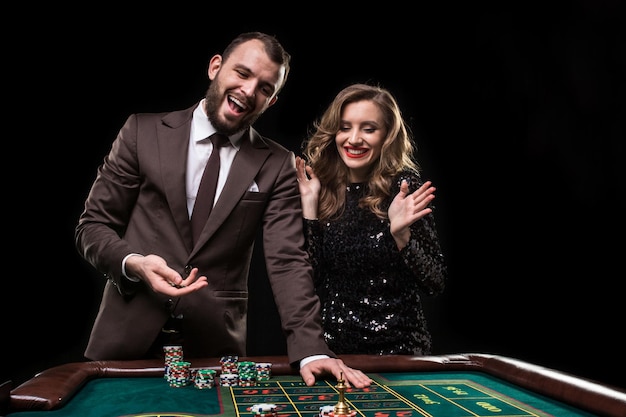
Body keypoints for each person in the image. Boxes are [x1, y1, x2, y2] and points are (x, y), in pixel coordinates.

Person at [75, 32, 371, 388]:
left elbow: (287, 260)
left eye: (264, 88)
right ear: (216, 66)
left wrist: (310, 348)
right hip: (123, 341)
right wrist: (134, 263)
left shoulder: (276, 164)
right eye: (242, 73)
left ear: (272, 100)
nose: (249, 91)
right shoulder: (142, 131)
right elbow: (92, 226)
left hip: (215, 349)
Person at [296, 83, 447, 356]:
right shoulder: (321, 190)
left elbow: (434, 282)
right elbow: (309, 280)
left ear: (387, 136)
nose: (354, 139)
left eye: (368, 129)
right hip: (334, 353)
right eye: (345, 127)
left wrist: (402, 236)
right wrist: (309, 206)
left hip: (398, 353)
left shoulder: (403, 189)